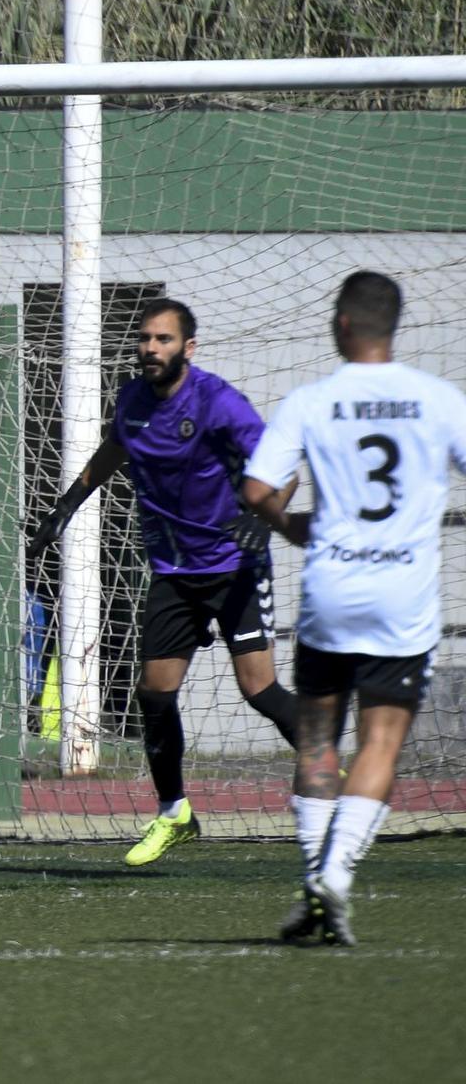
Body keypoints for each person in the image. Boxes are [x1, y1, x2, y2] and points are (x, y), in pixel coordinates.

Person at [29, 298, 301, 865]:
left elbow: (283, 463)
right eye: (145, 339)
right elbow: (111, 453)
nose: (151, 349)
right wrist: (66, 508)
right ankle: (174, 813)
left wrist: (260, 517)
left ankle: (329, 769)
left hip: (235, 567)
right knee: (154, 695)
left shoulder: (218, 402)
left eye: (163, 340)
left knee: (259, 691)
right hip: (175, 573)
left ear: (188, 348)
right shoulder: (131, 400)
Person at [241, 271, 466, 946]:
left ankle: (316, 879)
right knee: (382, 742)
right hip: (404, 598)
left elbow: (256, 489)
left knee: (317, 743)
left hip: (333, 591)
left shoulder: (313, 401)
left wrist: (288, 527)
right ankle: (335, 875)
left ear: (341, 325)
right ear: (393, 327)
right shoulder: (437, 399)